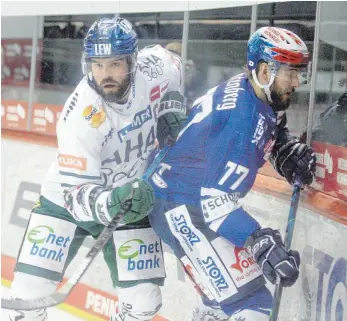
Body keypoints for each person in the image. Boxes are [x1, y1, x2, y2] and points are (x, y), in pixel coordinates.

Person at [9, 17, 187, 321]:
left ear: (133, 61)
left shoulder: (156, 67)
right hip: (66, 200)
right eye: (98, 64)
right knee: (27, 299)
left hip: (131, 197)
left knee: (145, 303)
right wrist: (112, 201)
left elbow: (177, 64)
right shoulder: (80, 115)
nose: (105, 75)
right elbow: (77, 196)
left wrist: (172, 105)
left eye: (115, 64)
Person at [147, 27, 317, 321]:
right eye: (290, 72)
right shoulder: (242, 121)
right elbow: (215, 201)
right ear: (265, 70)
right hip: (183, 208)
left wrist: (282, 147)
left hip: (178, 197)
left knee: (220, 299)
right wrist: (259, 242)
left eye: (300, 72)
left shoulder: (253, 92)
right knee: (253, 305)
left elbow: (273, 124)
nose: (297, 81)